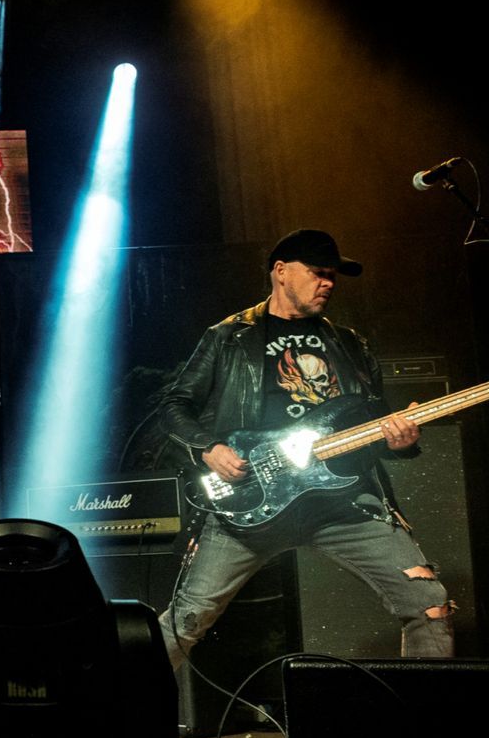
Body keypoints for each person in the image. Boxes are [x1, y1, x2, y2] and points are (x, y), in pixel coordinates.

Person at [155, 230, 454, 668]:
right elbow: (173, 406)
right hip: (250, 500)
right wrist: (209, 447)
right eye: (317, 273)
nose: (328, 283)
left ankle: (421, 712)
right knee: (186, 621)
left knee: (429, 604)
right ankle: (118, 707)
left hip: (343, 502)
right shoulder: (229, 336)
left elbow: (375, 424)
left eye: (332, 276)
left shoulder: (350, 344)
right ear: (280, 271)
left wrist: (401, 442)